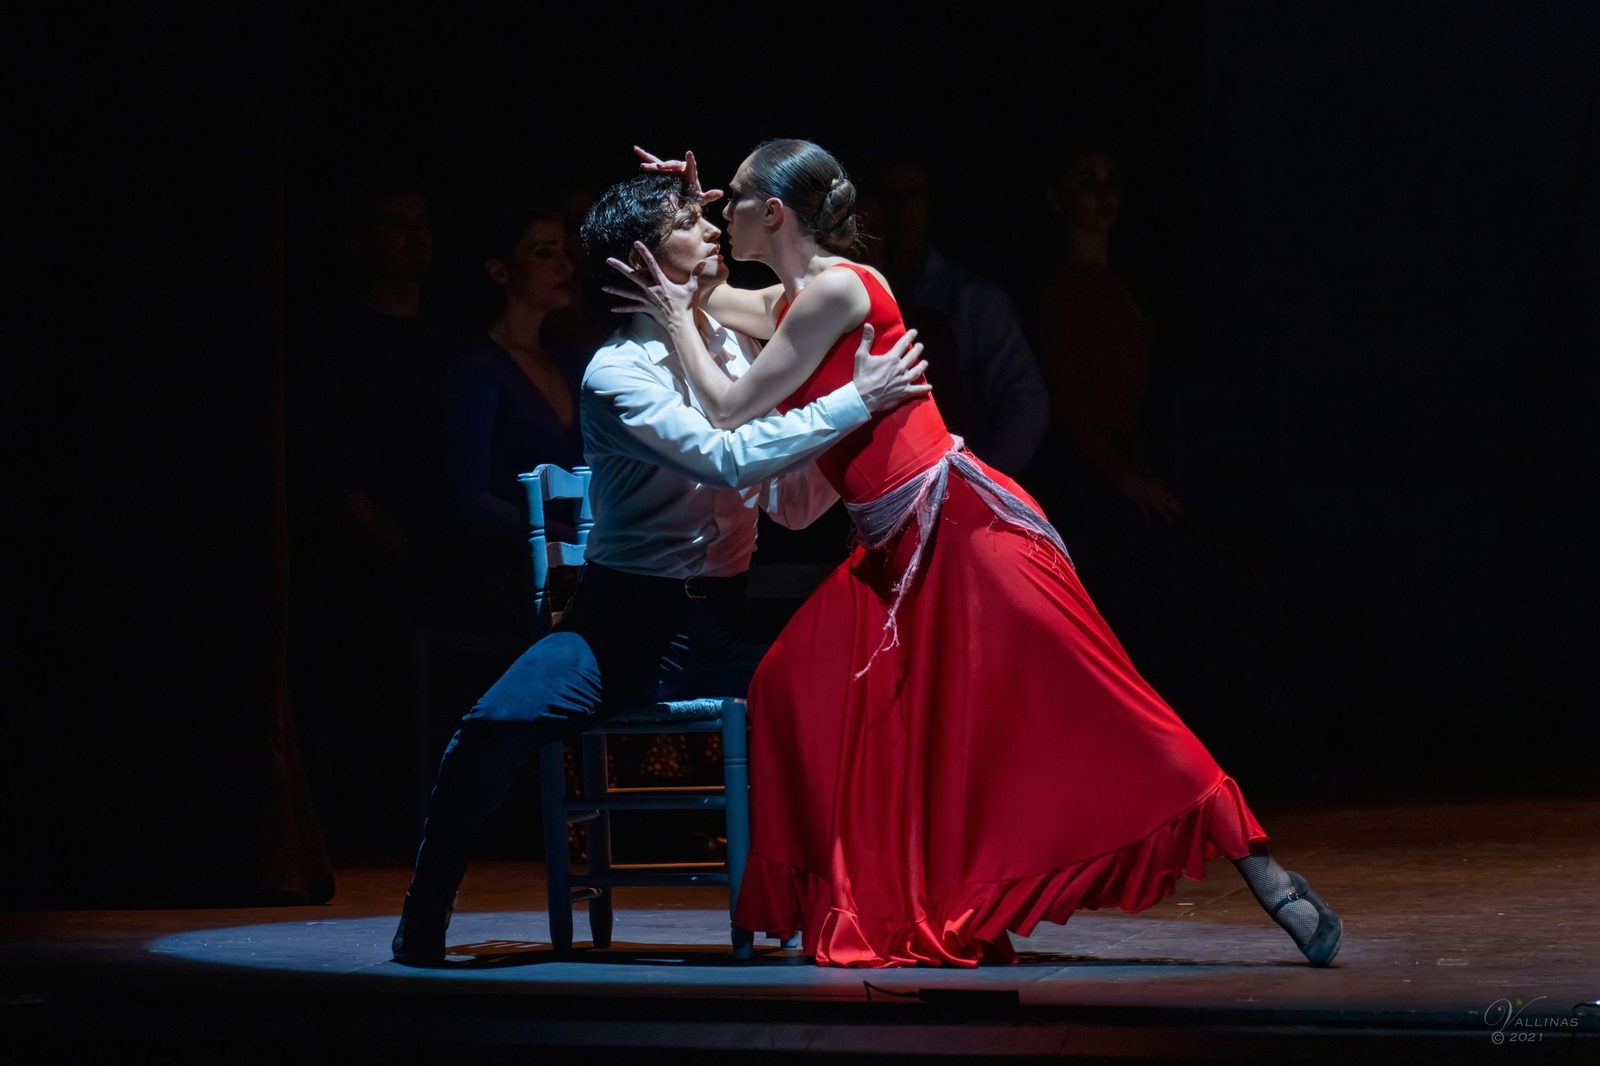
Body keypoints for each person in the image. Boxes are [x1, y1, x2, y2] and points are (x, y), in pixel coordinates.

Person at [610, 141, 1341, 969]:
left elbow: (725, 402)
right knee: (789, 686)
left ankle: (1261, 866)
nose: (722, 214)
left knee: (1098, 699)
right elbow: (704, 293)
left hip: (958, 534)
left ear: (773, 212)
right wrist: (686, 212)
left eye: (732, 200)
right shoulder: (790, 300)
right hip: (891, 555)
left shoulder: (839, 290)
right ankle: (885, 896)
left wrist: (678, 316)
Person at [390, 171, 931, 963]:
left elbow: (788, 504)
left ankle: (864, 911)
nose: (711, 227)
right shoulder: (617, 374)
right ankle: (424, 917)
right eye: (688, 221)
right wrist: (851, 402)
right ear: (641, 258)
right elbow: (723, 457)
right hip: (621, 628)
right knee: (489, 731)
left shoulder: (733, 349)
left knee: (856, 708)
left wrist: (853, 429)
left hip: (722, 621)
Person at [440, 205, 587, 630]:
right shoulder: (478, 369)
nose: (564, 265)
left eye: (564, 252)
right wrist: (565, 537)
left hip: (574, 561)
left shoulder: (568, 361)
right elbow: (469, 497)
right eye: (543, 253)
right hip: (507, 571)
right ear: (500, 271)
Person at [857, 162, 1048, 475]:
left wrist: (973, 480)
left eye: (913, 195)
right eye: (891, 195)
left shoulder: (969, 302)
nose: (901, 209)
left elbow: (1026, 405)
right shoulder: (845, 306)